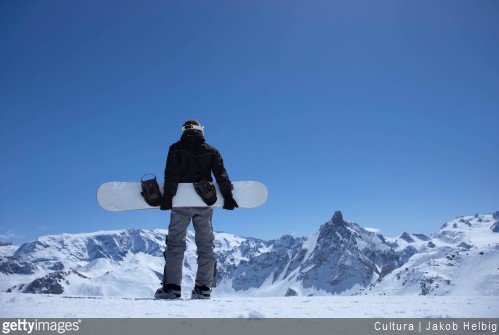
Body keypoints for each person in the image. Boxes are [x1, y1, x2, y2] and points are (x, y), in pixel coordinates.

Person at [155, 120, 238, 300]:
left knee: (175, 243)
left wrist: (168, 197)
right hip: (204, 203)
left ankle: (172, 288)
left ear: (184, 131)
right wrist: (228, 197)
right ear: (200, 130)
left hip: (181, 203)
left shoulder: (175, 149)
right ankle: (203, 288)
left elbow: (171, 174)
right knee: (206, 245)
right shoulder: (211, 151)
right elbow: (222, 176)